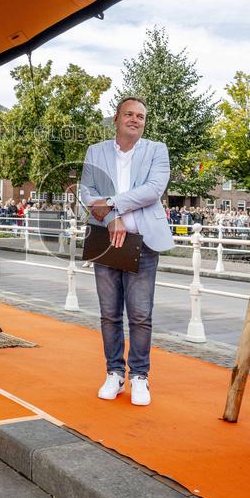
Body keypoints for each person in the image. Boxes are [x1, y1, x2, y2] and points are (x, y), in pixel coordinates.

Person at [79, 96, 174, 406]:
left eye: (141, 116)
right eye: (130, 114)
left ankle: (140, 377)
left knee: (140, 314)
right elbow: (87, 194)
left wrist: (115, 204)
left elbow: (153, 189)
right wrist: (111, 218)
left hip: (143, 243)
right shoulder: (95, 152)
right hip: (106, 242)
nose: (136, 119)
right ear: (117, 118)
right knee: (109, 314)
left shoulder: (156, 150)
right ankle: (114, 373)